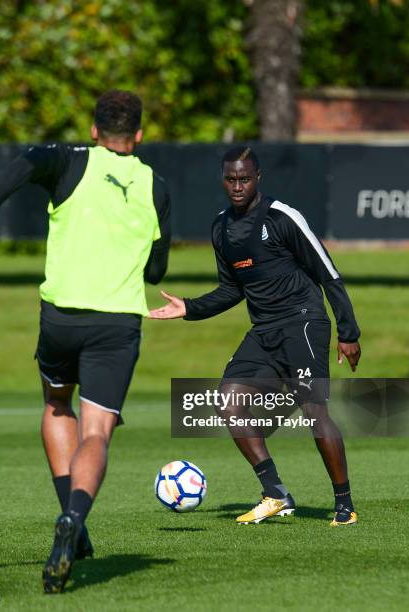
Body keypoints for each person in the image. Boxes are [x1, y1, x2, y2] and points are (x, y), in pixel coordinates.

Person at [0, 90, 171, 592]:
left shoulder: (70, 160)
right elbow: (157, 268)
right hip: (117, 322)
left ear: (95, 131)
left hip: (60, 316)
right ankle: (74, 519)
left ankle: (70, 522)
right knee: (97, 431)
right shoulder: (155, 185)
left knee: (58, 405)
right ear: (139, 136)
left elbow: (26, 162)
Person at [149, 146, 360, 527]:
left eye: (244, 178)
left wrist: (348, 331)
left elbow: (327, 272)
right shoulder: (221, 228)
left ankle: (344, 504)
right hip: (263, 331)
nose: (237, 186)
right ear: (223, 179)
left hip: (303, 322)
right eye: (230, 179)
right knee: (227, 401)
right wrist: (190, 307)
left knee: (315, 411)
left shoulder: (282, 217)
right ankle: (275, 493)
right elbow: (232, 290)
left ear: (258, 177)